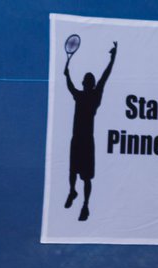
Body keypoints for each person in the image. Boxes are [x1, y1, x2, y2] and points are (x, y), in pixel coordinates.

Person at [64, 41, 117, 221]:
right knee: (73, 172)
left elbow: (105, 75)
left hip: (85, 141)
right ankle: (72, 192)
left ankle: (85, 205)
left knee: (86, 177)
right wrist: (67, 75)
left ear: (90, 83)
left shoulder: (93, 95)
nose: (89, 81)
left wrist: (113, 58)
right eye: (88, 80)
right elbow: (71, 86)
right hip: (79, 140)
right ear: (87, 83)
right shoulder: (83, 95)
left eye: (89, 80)